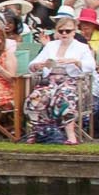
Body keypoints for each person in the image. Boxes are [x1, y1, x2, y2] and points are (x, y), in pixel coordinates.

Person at [26, 15, 94, 145]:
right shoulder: (50, 46)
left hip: (72, 81)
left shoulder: (82, 47)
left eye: (68, 31)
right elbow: (32, 65)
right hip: (50, 81)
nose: (64, 34)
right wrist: (38, 65)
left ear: (74, 32)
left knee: (64, 97)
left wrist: (75, 62)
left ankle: (71, 136)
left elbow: (91, 67)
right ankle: (37, 132)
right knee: (36, 97)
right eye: (61, 31)